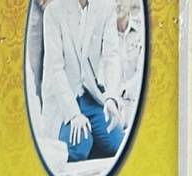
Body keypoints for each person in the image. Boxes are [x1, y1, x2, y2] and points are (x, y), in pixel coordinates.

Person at [38, 0, 126, 165]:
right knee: (78, 147)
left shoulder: (106, 7)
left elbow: (111, 57)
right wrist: (74, 114)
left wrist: (111, 97)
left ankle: (94, 142)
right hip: (63, 100)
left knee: (118, 144)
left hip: (90, 95)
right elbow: (55, 69)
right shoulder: (53, 11)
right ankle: (86, 143)